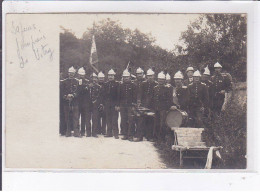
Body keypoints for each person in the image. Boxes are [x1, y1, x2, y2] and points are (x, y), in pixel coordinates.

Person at [61, 66, 80, 137]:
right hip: (66, 102)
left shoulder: (77, 81)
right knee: (67, 117)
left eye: (72, 73)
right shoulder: (64, 81)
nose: (71, 74)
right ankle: (68, 131)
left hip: (75, 102)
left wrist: (73, 95)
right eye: (70, 73)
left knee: (76, 117)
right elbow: (62, 91)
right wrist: (66, 96)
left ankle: (76, 132)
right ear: (68, 73)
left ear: (74, 73)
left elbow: (79, 91)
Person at [153, 71, 173, 142]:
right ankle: (156, 137)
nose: (160, 81)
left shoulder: (167, 88)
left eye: (162, 80)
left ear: (164, 80)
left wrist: (167, 107)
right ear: (157, 80)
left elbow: (170, 99)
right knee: (156, 123)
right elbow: (153, 98)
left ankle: (162, 138)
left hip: (163, 108)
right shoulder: (155, 88)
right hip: (156, 108)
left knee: (162, 123)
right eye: (159, 79)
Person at [118, 69, 136, 141]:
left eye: (127, 77)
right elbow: (119, 96)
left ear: (130, 77)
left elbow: (134, 96)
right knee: (123, 120)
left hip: (130, 105)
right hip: (123, 105)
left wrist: (133, 105)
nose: (126, 78)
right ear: (123, 77)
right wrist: (118, 105)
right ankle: (125, 134)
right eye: (124, 77)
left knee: (131, 120)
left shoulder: (133, 85)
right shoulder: (121, 85)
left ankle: (130, 135)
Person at [141, 68, 158, 141]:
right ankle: (143, 134)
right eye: (148, 76)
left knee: (151, 120)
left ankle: (150, 135)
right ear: (146, 76)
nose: (150, 77)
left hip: (152, 105)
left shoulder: (156, 84)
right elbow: (141, 94)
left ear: (154, 76)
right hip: (144, 104)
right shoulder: (143, 84)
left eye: (151, 76)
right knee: (143, 119)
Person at [103, 69, 119, 139]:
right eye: (109, 75)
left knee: (114, 119)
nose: (110, 77)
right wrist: (104, 104)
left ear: (114, 76)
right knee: (108, 118)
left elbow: (119, 95)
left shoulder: (117, 84)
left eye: (112, 75)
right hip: (107, 104)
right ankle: (109, 133)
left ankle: (116, 133)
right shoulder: (105, 84)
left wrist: (117, 105)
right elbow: (104, 95)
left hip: (114, 104)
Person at [88, 72, 102, 138]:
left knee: (95, 119)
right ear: (90, 79)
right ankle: (88, 132)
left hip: (95, 105)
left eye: (95, 78)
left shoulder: (99, 87)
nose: (94, 80)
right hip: (88, 105)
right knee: (88, 119)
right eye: (92, 78)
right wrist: (88, 87)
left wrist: (96, 102)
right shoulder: (87, 86)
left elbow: (100, 96)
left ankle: (94, 133)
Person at [77, 67, 90, 137]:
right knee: (77, 117)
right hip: (78, 102)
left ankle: (82, 131)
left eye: (82, 75)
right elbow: (77, 91)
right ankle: (77, 131)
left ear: (84, 75)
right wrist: (84, 88)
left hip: (85, 103)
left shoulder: (87, 81)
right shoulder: (76, 81)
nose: (81, 76)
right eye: (80, 75)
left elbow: (88, 93)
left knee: (83, 118)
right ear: (78, 75)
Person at [133, 67, 145, 142]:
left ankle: (140, 135)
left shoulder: (145, 82)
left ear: (143, 74)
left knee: (142, 119)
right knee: (135, 119)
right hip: (134, 102)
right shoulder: (134, 82)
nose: (139, 75)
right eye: (138, 74)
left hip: (143, 103)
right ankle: (135, 133)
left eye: (140, 74)